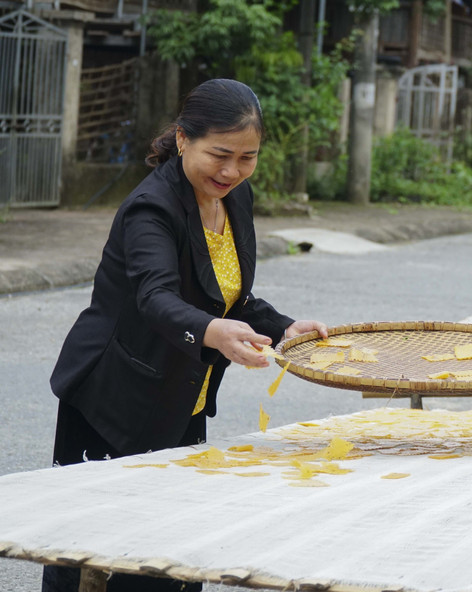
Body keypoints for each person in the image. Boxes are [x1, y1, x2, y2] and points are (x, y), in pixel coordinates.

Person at [43, 79, 327, 592]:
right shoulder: (151, 209)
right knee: (95, 552)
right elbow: (156, 297)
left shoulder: (235, 199)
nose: (231, 171)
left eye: (247, 158)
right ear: (181, 140)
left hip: (181, 395)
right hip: (115, 396)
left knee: (175, 555)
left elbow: (230, 296)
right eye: (219, 154)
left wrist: (284, 327)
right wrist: (213, 331)